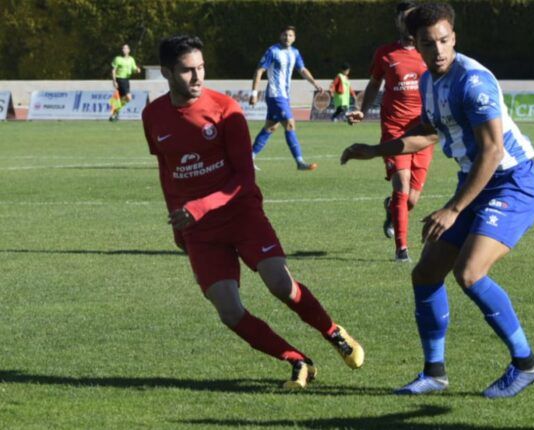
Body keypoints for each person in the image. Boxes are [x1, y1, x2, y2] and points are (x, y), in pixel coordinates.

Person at [341, 3, 534, 398]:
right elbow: (427, 131)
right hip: (477, 182)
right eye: (428, 43)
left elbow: (491, 151)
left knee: (469, 273)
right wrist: (376, 149)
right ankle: (434, 373)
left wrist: (453, 209)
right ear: (414, 45)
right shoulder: (429, 81)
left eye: (444, 40)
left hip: (512, 183)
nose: (438, 50)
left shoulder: (473, 82)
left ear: (454, 37)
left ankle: (526, 363)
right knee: (426, 273)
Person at [142, 35, 364, 389]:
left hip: (240, 213)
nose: (198, 77)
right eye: (187, 70)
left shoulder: (225, 108)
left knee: (280, 284)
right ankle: (297, 360)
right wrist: (177, 224)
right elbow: (167, 172)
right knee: (229, 312)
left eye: (201, 68)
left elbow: (245, 177)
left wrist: (199, 207)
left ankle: (333, 332)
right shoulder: (152, 115)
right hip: (200, 231)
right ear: (167, 72)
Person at [347, 1, 434, 263]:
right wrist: (363, 109)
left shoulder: (430, 50)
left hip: (423, 131)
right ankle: (402, 250)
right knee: (401, 185)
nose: (407, 24)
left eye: (412, 19)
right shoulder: (385, 53)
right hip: (394, 129)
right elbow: (374, 85)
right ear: (397, 22)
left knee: (412, 199)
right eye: (403, 19)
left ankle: (390, 210)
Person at [249, 26, 322, 171]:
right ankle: (300, 161)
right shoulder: (272, 51)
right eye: (284, 35)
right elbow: (259, 71)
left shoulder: (295, 52)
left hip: (284, 95)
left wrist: (315, 83)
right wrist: (254, 93)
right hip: (275, 95)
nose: (287, 38)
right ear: (280, 36)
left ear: (294, 38)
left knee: (270, 127)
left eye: (290, 35)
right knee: (290, 124)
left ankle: (249, 158)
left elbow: (302, 70)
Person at [110, 44, 141, 121]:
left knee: (121, 98)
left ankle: (114, 113)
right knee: (128, 97)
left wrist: (137, 70)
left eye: (126, 48)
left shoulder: (131, 59)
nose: (124, 50)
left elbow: (134, 69)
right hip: (120, 79)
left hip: (126, 80)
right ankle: (116, 110)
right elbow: (113, 70)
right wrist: (114, 81)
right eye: (123, 48)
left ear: (129, 50)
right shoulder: (118, 59)